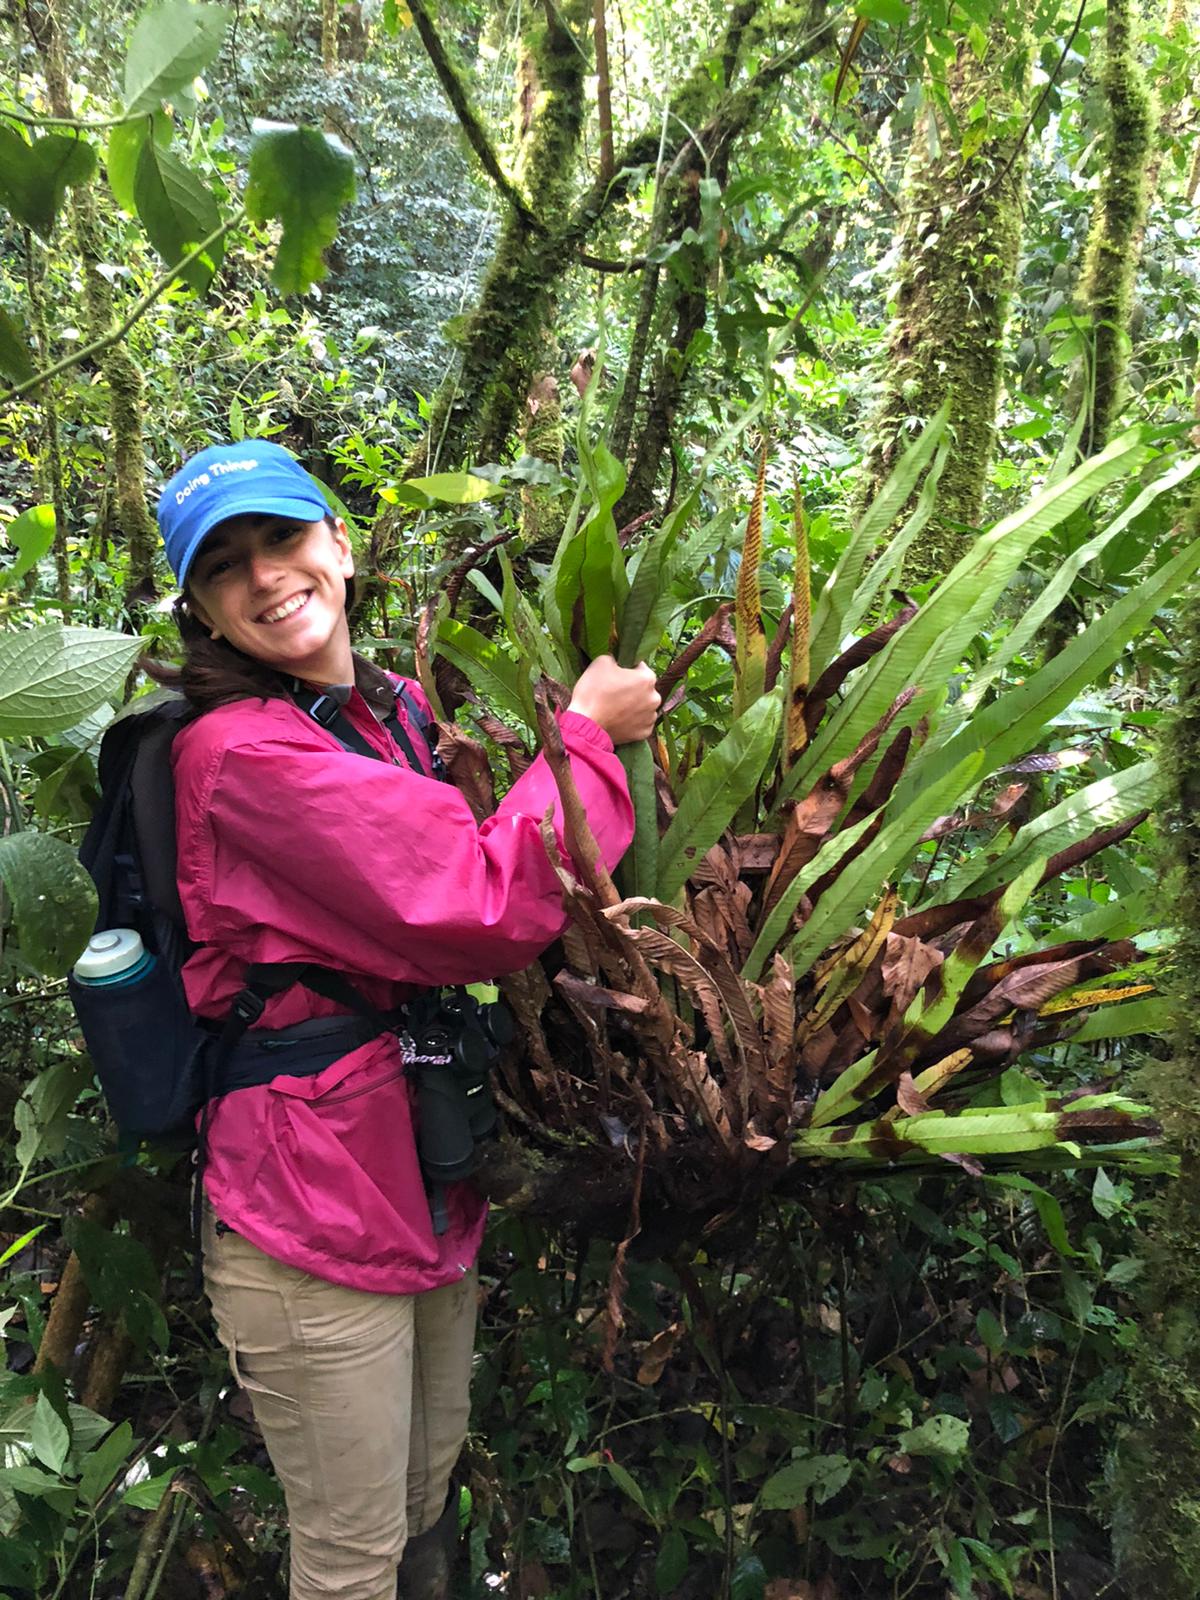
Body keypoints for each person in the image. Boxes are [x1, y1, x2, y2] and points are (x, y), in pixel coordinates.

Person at [150, 441, 659, 1600]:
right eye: (225, 567)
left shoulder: (384, 707)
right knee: (349, 1553)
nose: (266, 575)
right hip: (308, 1198)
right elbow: (473, 904)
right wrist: (583, 735)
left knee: (425, 1491)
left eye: (281, 538)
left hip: (415, 1160)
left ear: (336, 539)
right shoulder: (238, 754)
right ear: (204, 612)